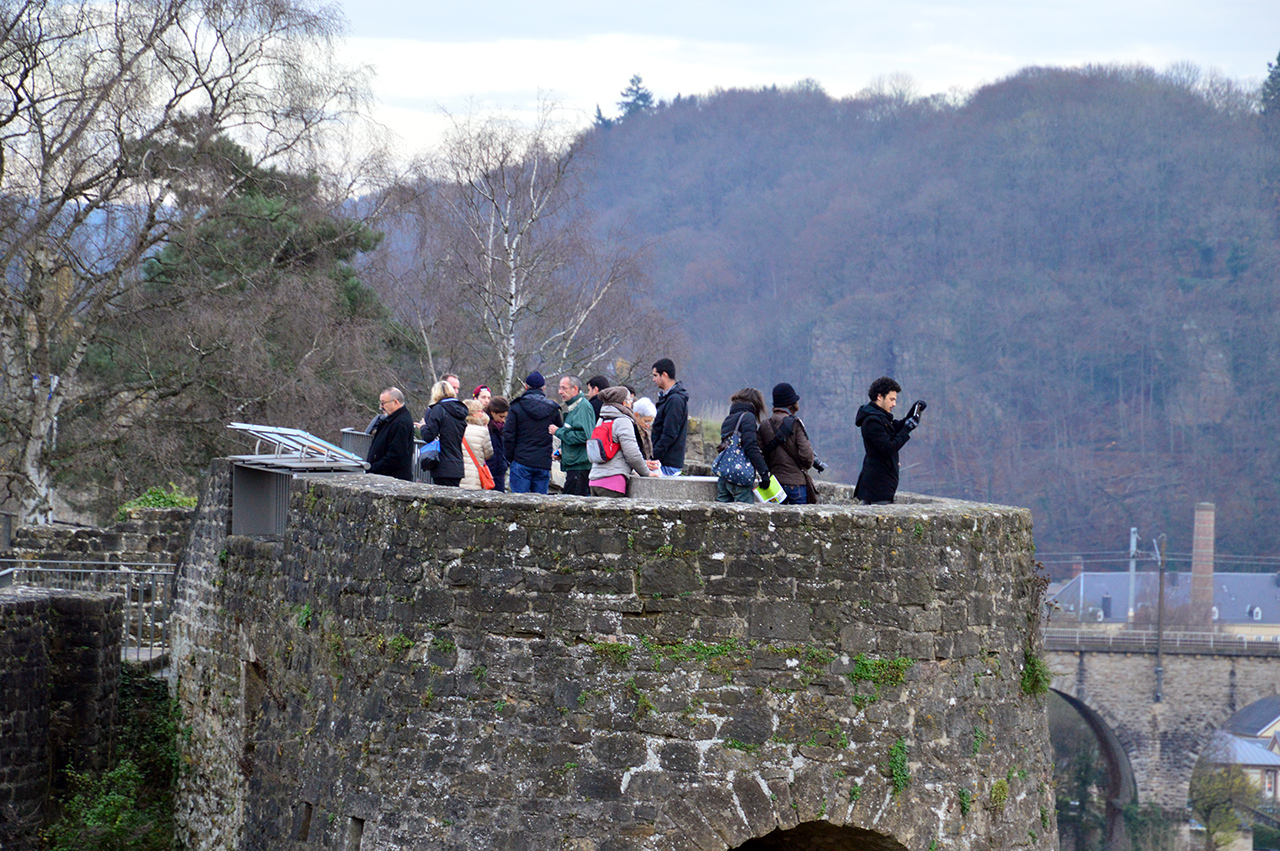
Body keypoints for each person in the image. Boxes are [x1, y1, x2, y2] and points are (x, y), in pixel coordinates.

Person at [853, 376, 920, 505]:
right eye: (891, 399)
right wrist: (907, 429)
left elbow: (895, 429)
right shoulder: (872, 421)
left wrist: (912, 415)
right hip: (877, 487)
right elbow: (888, 447)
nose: (894, 404)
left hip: (880, 485)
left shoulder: (880, 418)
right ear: (879, 397)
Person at [589, 386, 656, 497]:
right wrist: (646, 472)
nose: (631, 403)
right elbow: (632, 453)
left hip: (594, 479)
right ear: (624, 403)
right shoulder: (623, 421)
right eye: (630, 400)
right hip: (612, 482)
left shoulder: (601, 420)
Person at [503, 372, 563, 494]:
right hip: (543, 462)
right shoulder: (552, 409)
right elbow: (561, 433)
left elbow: (508, 435)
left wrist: (510, 458)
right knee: (540, 506)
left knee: (518, 504)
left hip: (521, 460)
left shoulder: (516, 406)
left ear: (526, 386)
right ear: (544, 388)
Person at [758, 382, 816, 505]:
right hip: (796, 484)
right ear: (791, 404)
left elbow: (760, 455)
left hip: (775, 485)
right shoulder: (795, 423)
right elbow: (807, 456)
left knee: (776, 523)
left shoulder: (764, 425)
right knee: (802, 523)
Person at [715, 388, 773, 503]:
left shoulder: (729, 418)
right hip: (739, 477)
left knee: (722, 515)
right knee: (745, 516)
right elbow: (750, 447)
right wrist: (764, 473)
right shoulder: (748, 417)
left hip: (725, 476)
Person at [548, 375, 594, 497]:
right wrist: (564, 452)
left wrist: (558, 432)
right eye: (559, 388)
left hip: (580, 467)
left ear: (574, 389)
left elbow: (585, 436)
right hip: (574, 464)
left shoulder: (582, 407)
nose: (560, 392)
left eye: (564, 388)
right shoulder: (574, 407)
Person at [420, 380, 469, 487]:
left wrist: (423, 426)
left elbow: (428, 436)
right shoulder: (461, 411)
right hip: (457, 464)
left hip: (442, 464)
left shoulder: (438, 409)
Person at [649, 357, 688, 475]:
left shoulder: (674, 400)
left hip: (667, 463)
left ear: (664, 375)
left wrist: (654, 456)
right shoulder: (668, 398)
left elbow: (670, 433)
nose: (653, 379)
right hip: (664, 461)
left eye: (655, 375)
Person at [365, 387, 415, 481]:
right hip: (385, 476)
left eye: (383, 403)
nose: (381, 406)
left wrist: (374, 468)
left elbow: (396, 455)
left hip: (391, 478)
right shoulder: (393, 419)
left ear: (395, 402)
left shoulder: (401, 422)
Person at [460, 400, 495, 490]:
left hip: (457, 473)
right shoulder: (482, 431)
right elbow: (489, 454)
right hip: (475, 475)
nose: (482, 414)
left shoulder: (457, 428)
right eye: (480, 411)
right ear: (474, 414)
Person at [486, 396, 510, 491]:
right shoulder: (486, 427)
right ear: (493, 413)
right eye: (501, 417)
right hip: (489, 469)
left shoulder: (502, 428)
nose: (502, 420)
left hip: (500, 469)